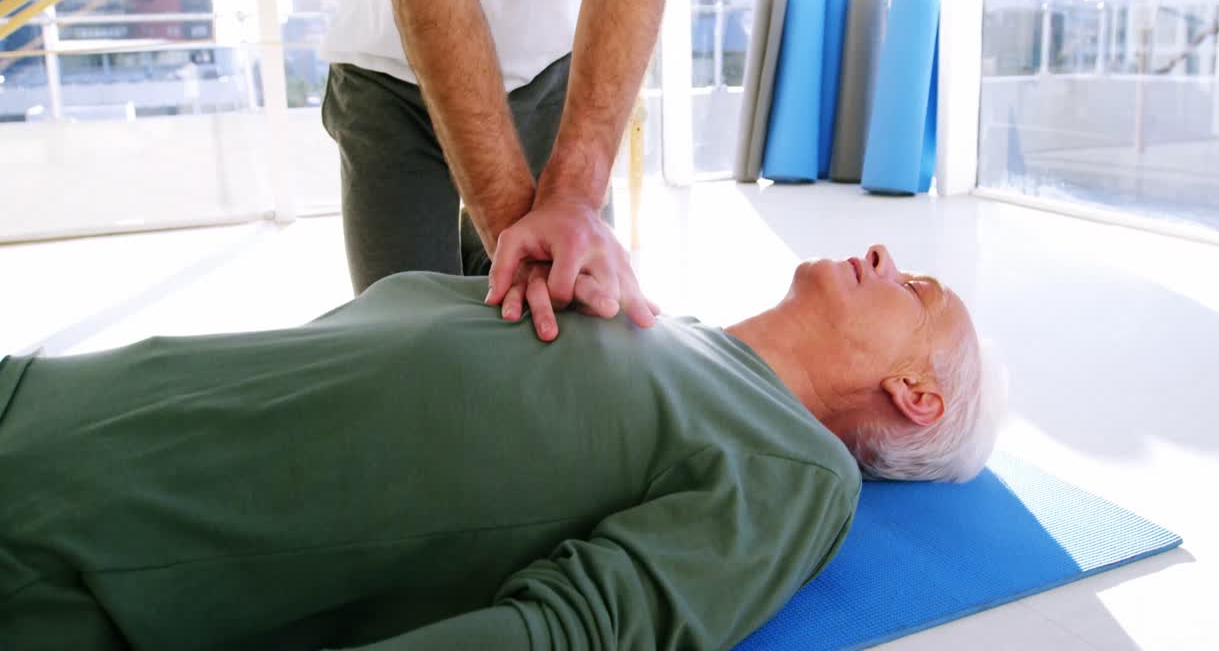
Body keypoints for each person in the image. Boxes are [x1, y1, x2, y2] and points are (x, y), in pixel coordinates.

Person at [0, 245, 1003, 650]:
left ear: (913, 396)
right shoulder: (657, 318)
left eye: (914, 289)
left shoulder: (797, 471)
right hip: (60, 397)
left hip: (76, 548)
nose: (879, 256)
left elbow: (565, 637)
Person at [321, 0, 671, 343]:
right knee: (411, 341)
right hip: (391, 73)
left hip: (553, 66)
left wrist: (574, 197)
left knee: (574, 338)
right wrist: (523, 253)